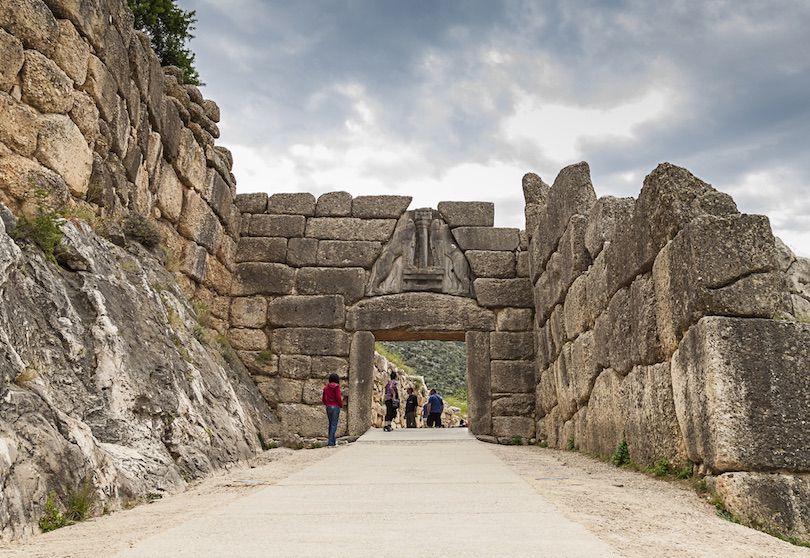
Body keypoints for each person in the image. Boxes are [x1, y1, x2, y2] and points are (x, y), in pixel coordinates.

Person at [321, 373, 343, 447]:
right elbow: (338, 397)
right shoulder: (337, 387)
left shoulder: (326, 387)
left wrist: (327, 404)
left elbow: (323, 398)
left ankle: (332, 442)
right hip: (335, 406)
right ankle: (331, 443)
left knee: (331, 424)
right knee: (334, 425)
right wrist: (340, 405)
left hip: (328, 407)